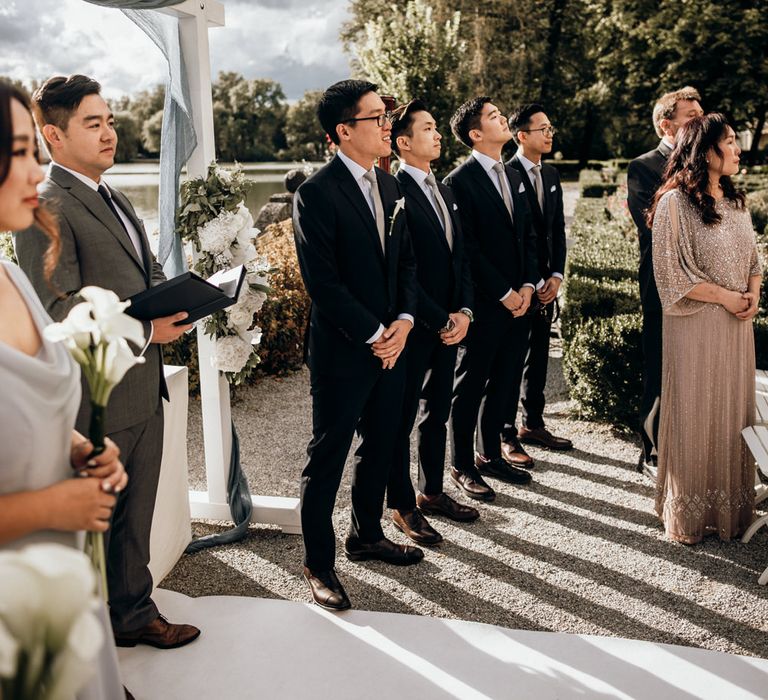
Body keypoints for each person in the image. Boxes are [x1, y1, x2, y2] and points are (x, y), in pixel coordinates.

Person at [14, 75, 199, 649]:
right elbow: (56, 309)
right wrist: (145, 329)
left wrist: (187, 295)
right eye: (92, 123)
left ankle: (134, 614)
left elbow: (145, 272)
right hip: (99, 396)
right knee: (98, 529)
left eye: (110, 121)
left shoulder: (112, 194)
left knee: (135, 517)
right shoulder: (45, 203)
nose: (109, 133)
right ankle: (88, 643)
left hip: (143, 386)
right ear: (53, 135)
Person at [0, 79, 127, 700]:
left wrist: (78, 446)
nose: (35, 169)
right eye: (19, 150)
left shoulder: (11, 279)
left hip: (68, 578)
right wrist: (52, 508)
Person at [293, 80, 422, 612]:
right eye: (376, 118)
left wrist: (407, 322)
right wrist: (377, 335)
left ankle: (366, 533)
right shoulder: (316, 193)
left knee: (384, 443)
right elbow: (322, 285)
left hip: (395, 344)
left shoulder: (391, 188)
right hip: (346, 350)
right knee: (328, 455)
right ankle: (318, 563)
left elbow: (407, 265)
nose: (387, 125)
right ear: (344, 131)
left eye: (386, 116)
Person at [649, 113, 760, 544]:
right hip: (694, 326)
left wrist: (753, 295)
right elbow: (670, 277)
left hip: (737, 328)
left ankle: (729, 508)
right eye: (729, 142)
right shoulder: (674, 203)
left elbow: (754, 261)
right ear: (705, 149)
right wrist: (725, 297)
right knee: (695, 411)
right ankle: (690, 511)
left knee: (733, 410)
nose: (736, 149)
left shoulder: (736, 202)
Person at [386, 100, 479, 546]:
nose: (438, 134)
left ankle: (432, 491)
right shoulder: (395, 190)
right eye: (427, 128)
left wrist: (464, 312)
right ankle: (401, 506)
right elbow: (403, 270)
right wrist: (439, 316)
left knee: (436, 413)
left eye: (436, 126)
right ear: (404, 143)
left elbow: (459, 256)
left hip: (448, 325)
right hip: (415, 326)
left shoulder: (442, 188)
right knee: (399, 419)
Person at [444, 97, 538, 500]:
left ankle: (490, 454)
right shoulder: (458, 181)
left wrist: (529, 286)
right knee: (471, 385)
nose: (503, 118)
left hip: (522, 301)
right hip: (486, 304)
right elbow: (468, 250)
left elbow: (530, 235)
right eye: (494, 116)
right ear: (475, 134)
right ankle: (461, 464)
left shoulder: (514, 174)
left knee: (506, 380)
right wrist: (504, 293)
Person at [627, 87, 703, 474]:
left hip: (706, 284)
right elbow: (652, 226)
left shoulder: (708, 162)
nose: (699, 120)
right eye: (691, 115)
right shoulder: (642, 166)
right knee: (659, 364)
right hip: (661, 282)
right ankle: (652, 449)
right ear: (666, 123)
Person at [504, 104, 572, 458]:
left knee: (540, 356)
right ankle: (505, 433)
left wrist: (556, 277)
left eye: (550, 127)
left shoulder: (552, 175)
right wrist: (530, 282)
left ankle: (532, 423)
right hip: (519, 286)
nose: (550, 133)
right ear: (521, 135)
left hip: (547, 285)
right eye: (542, 128)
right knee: (511, 360)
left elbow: (556, 231)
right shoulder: (507, 173)